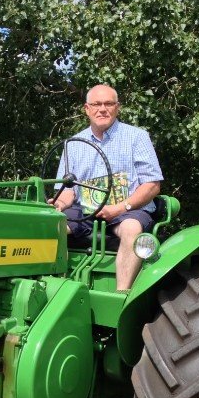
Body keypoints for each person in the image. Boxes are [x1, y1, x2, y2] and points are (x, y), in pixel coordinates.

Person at [50, 84, 163, 291]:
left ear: (117, 107)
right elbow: (67, 189)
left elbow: (152, 185)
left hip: (128, 210)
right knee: (52, 225)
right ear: (87, 109)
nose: (102, 109)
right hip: (85, 210)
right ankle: (59, 287)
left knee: (132, 229)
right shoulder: (74, 143)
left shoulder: (136, 137)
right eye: (96, 104)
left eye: (108, 103)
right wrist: (58, 204)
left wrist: (120, 208)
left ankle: (121, 295)